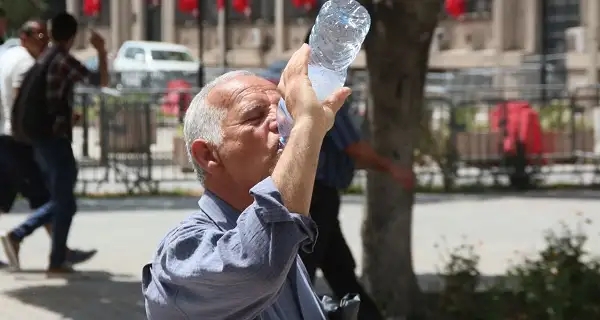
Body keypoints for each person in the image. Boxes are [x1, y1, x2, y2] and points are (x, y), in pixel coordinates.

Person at [143, 44, 350, 319]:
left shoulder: (277, 236)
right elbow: (259, 264)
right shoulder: (183, 255)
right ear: (208, 155)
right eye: (255, 115)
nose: (282, 122)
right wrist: (308, 125)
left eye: (283, 109)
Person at [298, 30, 414, 319]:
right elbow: (353, 147)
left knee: (338, 270)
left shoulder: (300, 82)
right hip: (316, 197)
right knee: (305, 273)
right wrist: (393, 169)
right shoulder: (322, 88)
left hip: (314, 193)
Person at [2, 12, 109, 275]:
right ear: (73, 36)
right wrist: (101, 51)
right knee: (64, 199)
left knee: (64, 199)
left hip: (39, 139)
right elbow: (100, 81)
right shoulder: (62, 60)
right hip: (54, 140)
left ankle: (54, 255)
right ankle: (32, 244)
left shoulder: (45, 58)